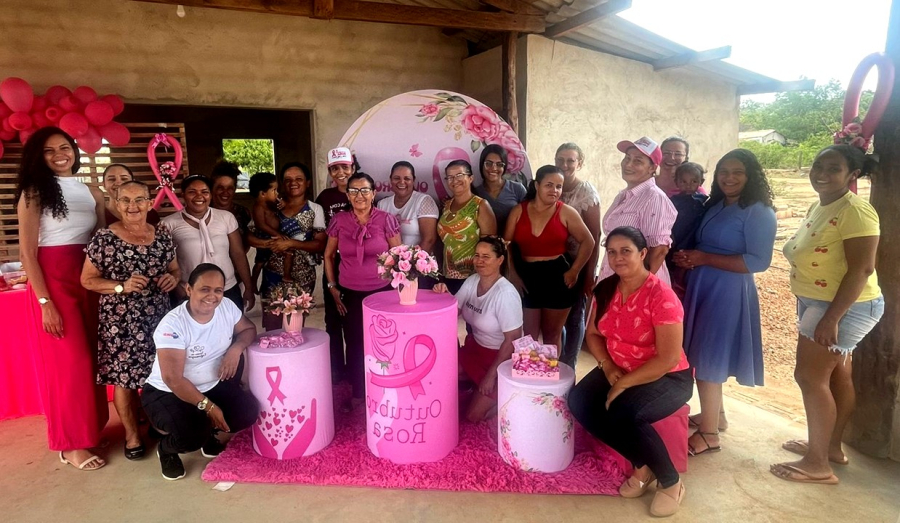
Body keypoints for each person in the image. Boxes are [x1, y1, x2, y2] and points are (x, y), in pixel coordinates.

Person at [772, 145, 884, 485]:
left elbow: (862, 269)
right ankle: (830, 448)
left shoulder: (856, 211)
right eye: (818, 164)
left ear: (852, 175)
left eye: (833, 168)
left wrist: (831, 318)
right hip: (819, 301)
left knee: (810, 378)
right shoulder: (821, 204)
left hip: (840, 306)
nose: (821, 172)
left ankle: (817, 464)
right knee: (836, 377)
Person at [568, 227, 692, 517]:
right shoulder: (607, 288)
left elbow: (668, 357)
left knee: (625, 411)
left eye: (626, 251)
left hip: (667, 375)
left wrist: (623, 385)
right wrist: (608, 367)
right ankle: (641, 463)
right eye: (612, 252)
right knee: (580, 402)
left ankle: (671, 481)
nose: (618, 258)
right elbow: (594, 336)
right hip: (618, 365)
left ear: (643, 254)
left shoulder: (661, 296)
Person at [15, 126, 109, 470]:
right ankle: (70, 445)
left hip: (87, 276)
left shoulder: (91, 190)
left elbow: (101, 241)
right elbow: (27, 253)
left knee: (94, 360)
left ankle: (90, 430)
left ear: (74, 150)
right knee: (70, 364)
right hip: (54, 280)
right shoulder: (34, 191)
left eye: (64, 147)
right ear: (38, 157)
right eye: (49, 150)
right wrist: (44, 302)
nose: (59, 154)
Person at [674, 149, 776, 455]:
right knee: (703, 352)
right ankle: (715, 416)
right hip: (703, 284)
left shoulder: (758, 211)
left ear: (751, 176)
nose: (729, 178)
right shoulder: (716, 205)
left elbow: (758, 261)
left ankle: (708, 435)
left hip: (728, 289)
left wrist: (704, 257)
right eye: (724, 172)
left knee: (708, 356)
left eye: (737, 172)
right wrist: (689, 257)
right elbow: (703, 243)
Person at [81, 180, 180, 461]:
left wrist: (172, 278)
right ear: (116, 203)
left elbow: (175, 268)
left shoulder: (161, 235)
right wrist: (120, 286)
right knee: (123, 380)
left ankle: (159, 423)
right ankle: (131, 434)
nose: (133, 206)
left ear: (150, 203)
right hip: (121, 322)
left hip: (158, 318)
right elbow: (87, 280)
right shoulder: (105, 238)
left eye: (139, 200)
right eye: (125, 200)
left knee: (160, 374)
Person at [141, 264, 258, 480]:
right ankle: (167, 449)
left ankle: (207, 433)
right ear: (188, 289)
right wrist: (210, 407)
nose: (212, 296)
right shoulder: (173, 325)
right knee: (191, 435)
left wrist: (235, 349)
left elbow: (248, 329)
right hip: (167, 391)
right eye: (205, 289)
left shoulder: (227, 307)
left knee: (247, 413)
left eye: (218, 290)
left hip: (212, 384)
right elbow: (173, 379)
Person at [325, 172, 401, 408]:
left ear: (374, 193)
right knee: (356, 344)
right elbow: (328, 256)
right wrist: (332, 287)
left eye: (365, 190)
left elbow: (399, 256)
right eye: (354, 191)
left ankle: (385, 392)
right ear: (347, 195)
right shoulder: (339, 220)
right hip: (350, 292)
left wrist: (399, 291)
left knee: (383, 344)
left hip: (382, 293)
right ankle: (359, 395)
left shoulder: (386, 219)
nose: (360, 195)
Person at [504, 165, 594, 351]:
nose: (554, 190)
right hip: (527, 277)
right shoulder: (518, 211)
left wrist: (574, 270)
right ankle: (528, 378)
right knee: (528, 335)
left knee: (552, 335)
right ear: (537, 185)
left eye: (559, 186)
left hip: (558, 276)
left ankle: (550, 378)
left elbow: (589, 241)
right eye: (549, 185)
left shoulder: (566, 212)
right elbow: (506, 244)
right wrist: (512, 273)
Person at [433, 236, 522, 422]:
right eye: (476, 255)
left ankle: (511, 401)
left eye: (486, 256)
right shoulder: (473, 280)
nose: (479, 261)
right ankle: (477, 386)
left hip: (502, 360)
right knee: (443, 372)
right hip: (476, 350)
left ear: (500, 260)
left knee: (473, 416)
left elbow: (513, 340)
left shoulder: (506, 294)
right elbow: (453, 310)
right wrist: (444, 294)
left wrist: (490, 377)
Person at [161, 175, 255, 311]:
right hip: (190, 291)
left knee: (234, 329)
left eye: (204, 192)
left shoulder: (225, 217)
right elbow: (165, 264)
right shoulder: (168, 224)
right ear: (183, 195)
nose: (199, 196)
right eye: (192, 192)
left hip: (227, 288)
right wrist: (178, 289)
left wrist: (248, 287)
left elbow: (238, 253)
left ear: (210, 195)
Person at [601, 137, 677, 286]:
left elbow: (659, 250)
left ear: (652, 168)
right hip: (615, 280)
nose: (628, 164)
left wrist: (635, 289)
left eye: (638, 161)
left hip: (636, 287)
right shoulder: (624, 195)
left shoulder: (654, 198)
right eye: (627, 158)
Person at [259, 163, 326, 331]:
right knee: (272, 328)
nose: (293, 183)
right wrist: (271, 244)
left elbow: (320, 244)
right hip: (273, 275)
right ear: (281, 183)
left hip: (302, 278)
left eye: (299, 179)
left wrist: (290, 243)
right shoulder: (270, 206)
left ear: (308, 183)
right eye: (287, 180)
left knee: (294, 327)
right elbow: (251, 234)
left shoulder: (314, 209)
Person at [555, 143, 602, 368]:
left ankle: (570, 366)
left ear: (579, 163)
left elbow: (595, 234)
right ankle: (556, 365)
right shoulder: (551, 185)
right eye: (560, 159)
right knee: (555, 318)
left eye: (570, 160)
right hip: (552, 262)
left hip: (578, 262)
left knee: (575, 317)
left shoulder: (586, 192)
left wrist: (589, 274)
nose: (565, 165)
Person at [315, 148, 353, 379]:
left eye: (345, 167)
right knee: (332, 320)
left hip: (356, 266)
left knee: (353, 319)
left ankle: (356, 367)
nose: (340, 172)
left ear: (353, 168)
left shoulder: (362, 191)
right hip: (332, 263)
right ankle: (337, 370)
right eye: (335, 168)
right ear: (330, 171)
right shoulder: (325, 197)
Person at [437, 160, 497, 294]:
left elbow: (491, 246)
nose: (455, 180)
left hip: (474, 277)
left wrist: (485, 278)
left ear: (470, 178)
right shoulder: (446, 205)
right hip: (448, 275)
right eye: (450, 177)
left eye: (459, 175)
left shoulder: (480, 205)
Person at [667, 162, 709, 299]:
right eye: (683, 181)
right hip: (678, 240)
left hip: (695, 242)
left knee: (690, 274)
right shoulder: (673, 201)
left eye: (694, 181)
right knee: (676, 272)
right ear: (676, 182)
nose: (688, 185)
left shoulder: (704, 201)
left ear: (701, 182)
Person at [377, 161, 439, 252]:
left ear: (413, 180)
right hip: (389, 261)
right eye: (396, 178)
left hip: (419, 262)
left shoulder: (424, 201)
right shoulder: (382, 204)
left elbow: (429, 240)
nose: (402, 182)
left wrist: (412, 263)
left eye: (407, 178)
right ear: (390, 180)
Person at [473, 144, 526, 234]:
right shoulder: (475, 193)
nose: (493, 168)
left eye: (499, 164)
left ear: (504, 167)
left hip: (513, 244)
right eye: (488, 163)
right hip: (485, 245)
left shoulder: (517, 189)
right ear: (482, 164)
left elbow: (529, 218)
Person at [248, 172, 287, 291]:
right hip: (265, 236)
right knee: (260, 262)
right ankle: (253, 282)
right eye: (274, 190)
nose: (277, 193)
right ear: (263, 194)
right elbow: (261, 225)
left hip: (274, 235)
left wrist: (283, 204)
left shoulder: (271, 204)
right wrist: (277, 234)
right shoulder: (258, 207)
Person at [210, 160, 252, 251]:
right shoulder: (204, 213)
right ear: (212, 188)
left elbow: (248, 242)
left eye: (230, 188)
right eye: (220, 188)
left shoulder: (243, 213)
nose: (225, 192)